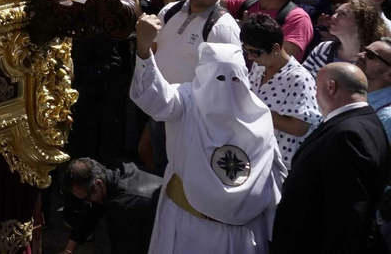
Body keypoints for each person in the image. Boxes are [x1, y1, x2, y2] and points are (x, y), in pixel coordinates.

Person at [129, 19, 282, 253]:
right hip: (189, 224)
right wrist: (143, 47)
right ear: (202, 75)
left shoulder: (259, 114)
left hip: (240, 235)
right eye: (218, 78)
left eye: (235, 79)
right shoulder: (186, 99)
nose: (226, 87)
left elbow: (273, 174)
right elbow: (154, 97)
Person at [270, 63, 391, 253]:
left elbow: (347, 216)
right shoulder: (368, 120)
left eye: (316, 87)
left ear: (330, 87)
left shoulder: (347, 135)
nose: (315, 95)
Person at [239, 14, 319, 171]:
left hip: (279, 163)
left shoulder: (300, 79)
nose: (250, 57)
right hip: (252, 154)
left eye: (255, 52)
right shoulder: (259, 66)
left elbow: (299, 127)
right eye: (246, 50)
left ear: (276, 47)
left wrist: (253, 109)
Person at [60, 156, 160, 254]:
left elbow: (125, 248)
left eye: (87, 198)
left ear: (99, 184)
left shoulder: (122, 206)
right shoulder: (115, 167)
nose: (87, 202)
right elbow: (90, 212)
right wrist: (69, 250)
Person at [301, 0, 389, 75]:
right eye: (336, 12)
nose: (333, 17)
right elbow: (302, 79)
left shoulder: (367, 62)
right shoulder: (323, 48)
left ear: (361, 23)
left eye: (342, 14)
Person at [357, 37, 391, 137]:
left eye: (371, 55)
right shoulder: (349, 90)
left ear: (389, 75)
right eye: (364, 50)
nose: (361, 55)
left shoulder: (387, 118)